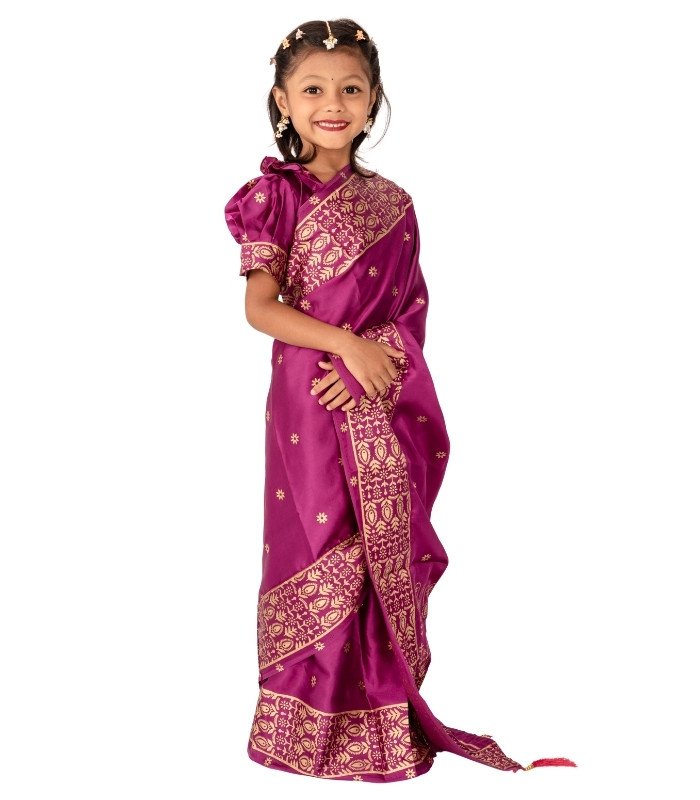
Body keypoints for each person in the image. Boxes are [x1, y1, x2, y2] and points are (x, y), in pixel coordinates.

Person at [223, 18, 575, 783]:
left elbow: (409, 315)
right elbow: (260, 308)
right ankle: (304, 728)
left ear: (374, 97)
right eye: (313, 89)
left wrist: (370, 359)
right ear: (283, 101)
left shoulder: (394, 202)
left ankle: (378, 724)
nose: (333, 104)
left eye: (351, 88)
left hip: (378, 396)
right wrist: (345, 346)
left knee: (372, 556)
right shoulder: (272, 196)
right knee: (318, 549)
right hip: (309, 404)